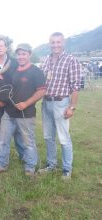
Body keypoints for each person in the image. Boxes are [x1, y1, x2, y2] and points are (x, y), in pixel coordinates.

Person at [0, 43, 46, 176]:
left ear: (29, 54)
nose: (21, 57)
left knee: (28, 143)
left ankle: (30, 168)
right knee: (3, 140)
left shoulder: (36, 71)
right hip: (9, 113)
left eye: (24, 54)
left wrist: (26, 103)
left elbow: (42, 91)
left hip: (26, 114)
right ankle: (1, 165)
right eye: (19, 54)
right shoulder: (13, 70)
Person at [39, 32, 81, 180]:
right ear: (49, 43)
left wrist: (72, 107)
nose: (55, 45)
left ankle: (67, 169)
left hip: (61, 103)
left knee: (64, 138)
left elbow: (75, 87)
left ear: (63, 43)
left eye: (58, 42)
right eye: (53, 42)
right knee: (48, 137)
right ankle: (51, 165)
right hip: (46, 102)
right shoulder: (46, 61)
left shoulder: (71, 60)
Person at [0, 37, 25, 160]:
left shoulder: (15, 63)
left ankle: (22, 155)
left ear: (6, 48)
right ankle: (2, 156)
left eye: (1, 45)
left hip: (14, 103)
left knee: (18, 130)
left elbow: (20, 83)